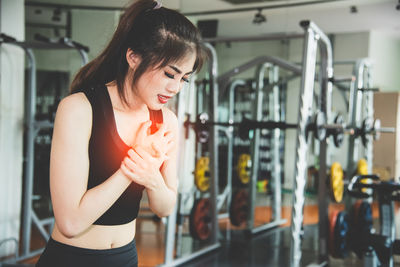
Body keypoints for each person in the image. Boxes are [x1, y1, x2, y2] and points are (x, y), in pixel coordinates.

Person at [36, 0, 205, 266]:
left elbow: (165, 207)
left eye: (183, 78)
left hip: (125, 257)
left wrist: (153, 178)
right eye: (169, 74)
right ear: (133, 57)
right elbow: (70, 222)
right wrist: (134, 164)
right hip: (72, 258)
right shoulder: (79, 109)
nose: (176, 88)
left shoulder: (166, 121)